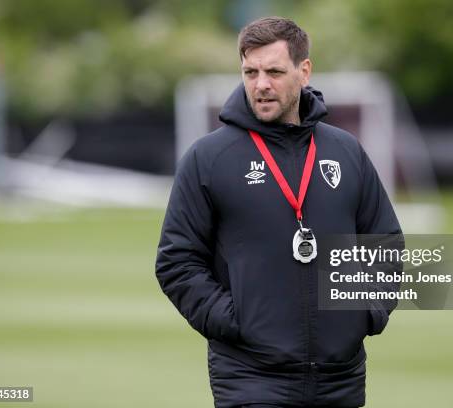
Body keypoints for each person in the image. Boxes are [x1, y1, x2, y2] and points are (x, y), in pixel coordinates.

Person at [155, 16, 402, 408]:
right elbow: (177, 261)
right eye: (250, 72)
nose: (261, 84)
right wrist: (234, 322)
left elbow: (386, 243)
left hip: (341, 379)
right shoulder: (209, 158)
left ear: (304, 71)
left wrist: (366, 313)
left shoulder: (345, 151)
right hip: (251, 378)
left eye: (273, 71)